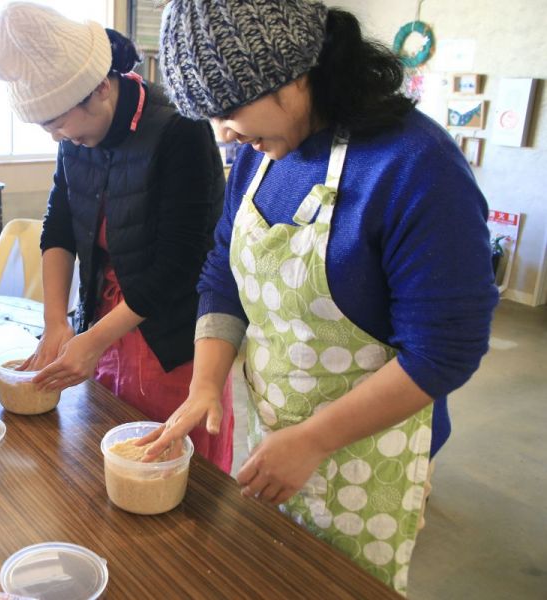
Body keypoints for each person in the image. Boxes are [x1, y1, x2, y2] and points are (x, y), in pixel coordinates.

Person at [141, 0, 498, 593]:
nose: (223, 133)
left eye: (229, 110)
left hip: (366, 456)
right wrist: (206, 383)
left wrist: (314, 439)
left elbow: (445, 349)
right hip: (268, 433)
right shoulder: (260, 158)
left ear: (295, 72)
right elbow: (222, 276)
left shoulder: (413, 165)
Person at [0, 2, 234, 473]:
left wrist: (94, 338)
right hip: (104, 325)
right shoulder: (73, 140)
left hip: (171, 337)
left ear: (100, 89)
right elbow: (58, 225)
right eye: (47, 128)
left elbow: (181, 263)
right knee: (107, 454)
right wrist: (58, 321)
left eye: (60, 123)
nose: (57, 137)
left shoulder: (180, 129)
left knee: (176, 470)